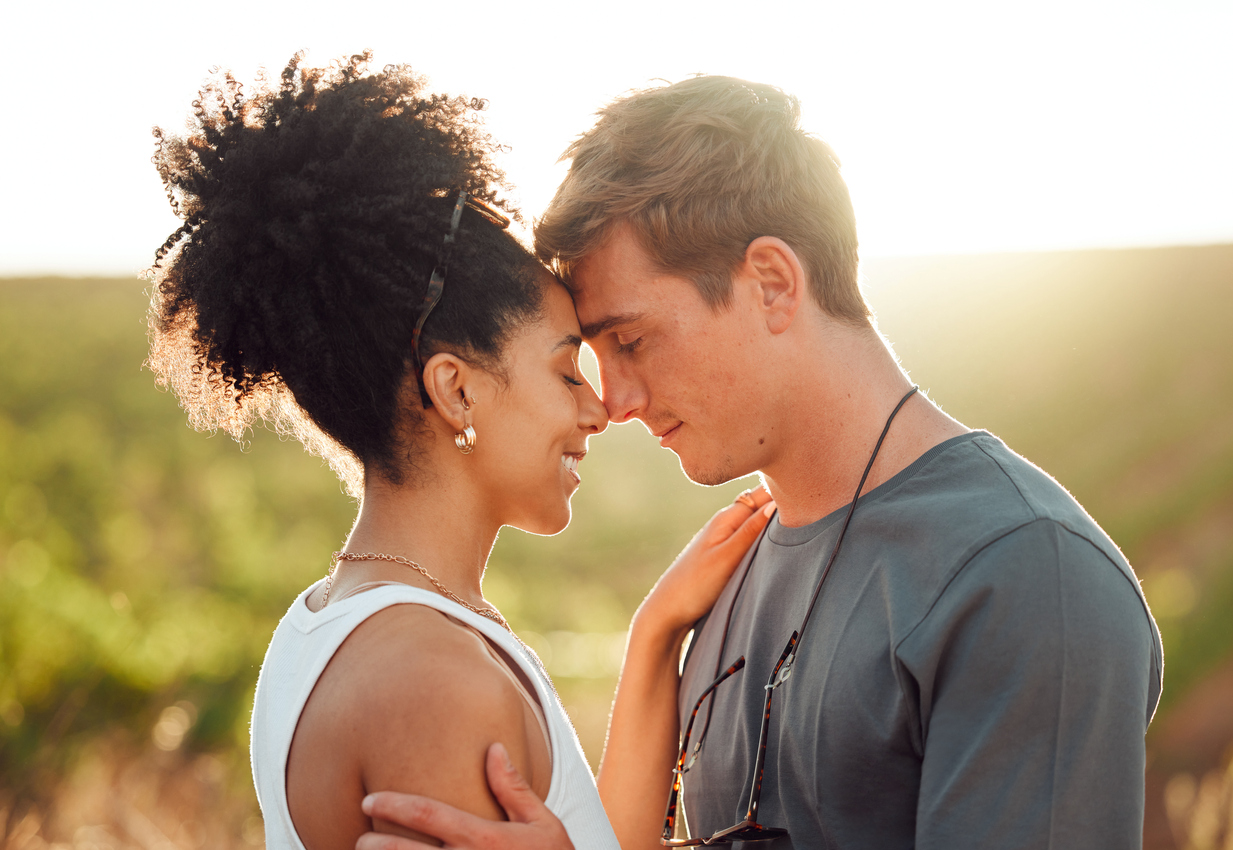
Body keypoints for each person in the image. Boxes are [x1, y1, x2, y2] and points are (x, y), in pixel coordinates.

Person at [365, 76, 1164, 849]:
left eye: (632, 341)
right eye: (595, 356)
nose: (614, 403)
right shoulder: (730, 570)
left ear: (773, 284)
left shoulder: (1025, 574)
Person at [145, 55, 776, 850]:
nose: (598, 407)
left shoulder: (328, 620)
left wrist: (652, 641)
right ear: (456, 390)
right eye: (562, 369)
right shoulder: (434, 683)